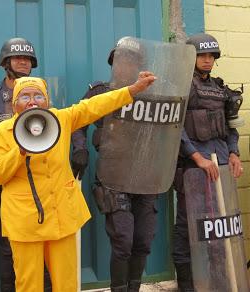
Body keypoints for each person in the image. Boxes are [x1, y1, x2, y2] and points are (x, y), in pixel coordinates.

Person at [0, 73, 156, 292]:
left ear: (47, 101)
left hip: (61, 216)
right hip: (25, 221)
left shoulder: (60, 119)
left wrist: (132, 90)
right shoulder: (4, 131)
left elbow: (94, 106)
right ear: (14, 104)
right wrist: (19, 152)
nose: (32, 101)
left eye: (38, 96)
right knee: (28, 284)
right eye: (25, 96)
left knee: (66, 282)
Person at [71, 37, 158, 292]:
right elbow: (77, 121)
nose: (125, 65)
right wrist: (80, 149)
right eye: (121, 60)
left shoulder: (153, 92)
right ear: (112, 64)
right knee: (123, 241)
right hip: (113, 177)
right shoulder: (100, 92)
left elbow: (169, 129)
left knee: (143, 241)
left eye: (132, 61)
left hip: (146, 177)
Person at [0, 37, 51, 291]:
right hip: (6, 189)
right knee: (9, 255)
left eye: (27, 58)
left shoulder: (40, 95)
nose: (23, 62)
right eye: (17, 57)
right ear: (6, 63)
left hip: (40, 189)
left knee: (44, 256)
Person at [172, 33, 243, 292]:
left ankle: (219, 283)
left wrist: (234, 153)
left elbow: (231, 127)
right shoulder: (182, 87)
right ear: (192, 57)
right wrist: (196, 157)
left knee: (220, 225)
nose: (207, 60)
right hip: (192, 168)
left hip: (220, 165)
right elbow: (174, 127)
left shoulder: (221, 89)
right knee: (187, 226)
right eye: (202, 55)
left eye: (211, 55)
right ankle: (188, 286)